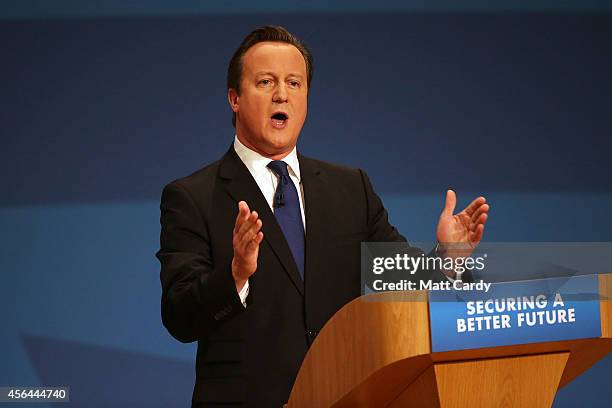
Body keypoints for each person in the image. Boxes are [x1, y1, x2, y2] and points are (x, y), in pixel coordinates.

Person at [156, 26, 489, 408]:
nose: (282, 93)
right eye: (266, 81)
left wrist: (447, 260)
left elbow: (400, 281)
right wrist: (236, 275)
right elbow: (179, 316)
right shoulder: (193, 196)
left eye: (294, 83)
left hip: (344, 396)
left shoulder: (350, 188)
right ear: (234, 98)